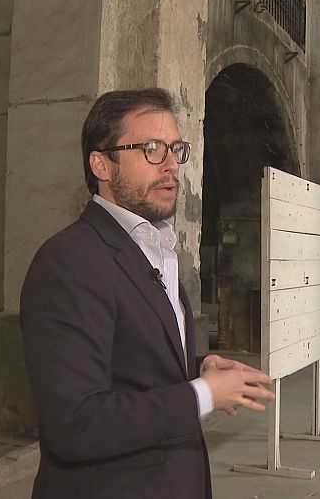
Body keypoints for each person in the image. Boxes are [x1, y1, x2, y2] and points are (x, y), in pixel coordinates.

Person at [20, 88, 275, 499]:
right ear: (101, 163)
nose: (172, 164)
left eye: (176, 148)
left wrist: (197, 367)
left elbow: (130, 362)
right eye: (152, 148)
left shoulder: (153, 246)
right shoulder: (68, 262)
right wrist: (204, 394)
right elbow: (76, 423)